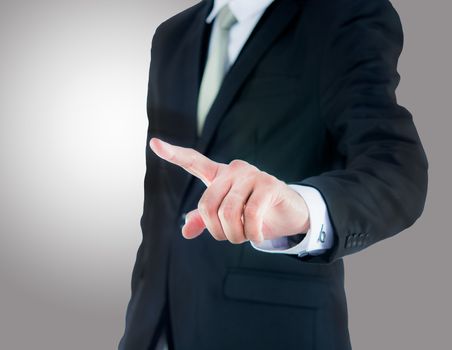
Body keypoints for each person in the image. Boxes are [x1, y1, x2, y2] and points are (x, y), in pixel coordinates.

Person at [118, 0, 428, 349]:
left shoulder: (344, 13)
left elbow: (397, 169)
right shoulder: (170, 36)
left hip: (275, 330)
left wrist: (305, 206)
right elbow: (162, 203)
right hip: (161, 330)